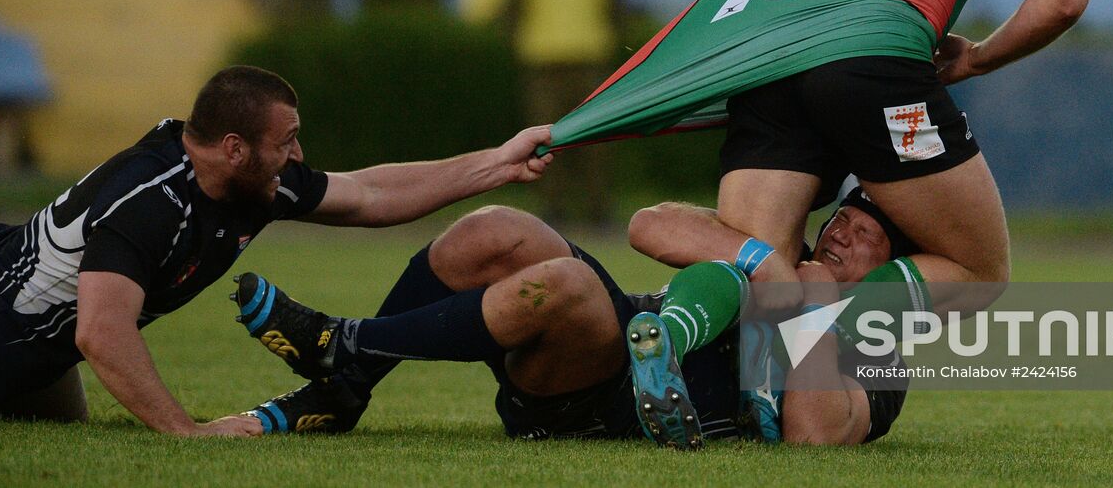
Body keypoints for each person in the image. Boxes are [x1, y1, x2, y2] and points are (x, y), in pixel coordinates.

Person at [542, 0, 1090, 441]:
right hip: (872, 58)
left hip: (769, 53)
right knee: (979, 270)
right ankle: (815, 336)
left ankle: (679, 341)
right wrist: (978, 59)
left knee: (748, 254)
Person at [0, 65, 551, 435]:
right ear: (234, 149)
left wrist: (499, 162)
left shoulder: (253, 181)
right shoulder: (151, 200)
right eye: (287, 141)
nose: (298, 154)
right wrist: (189, 431)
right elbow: (101, 331)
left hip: (37, 348)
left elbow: (369, 194)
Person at [223, 188, 919, 446]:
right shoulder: (784, 251)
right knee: (494, 228)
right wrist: (765, 260)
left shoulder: (876, 347)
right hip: (620, 340)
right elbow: (651, 224)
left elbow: (813, 434)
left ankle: (346, 344)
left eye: (865, 239)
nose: (840, 235)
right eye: (843, 219)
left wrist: (815, 302)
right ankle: (349, 385)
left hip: (624, 404)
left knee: (564, 285)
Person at [462, 0, 619, 226]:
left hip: (587, 58)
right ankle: (552, 209)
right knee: (544, 145)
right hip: (543, 61)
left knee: (595, 144)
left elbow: (611, 6)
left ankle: (598, 209)